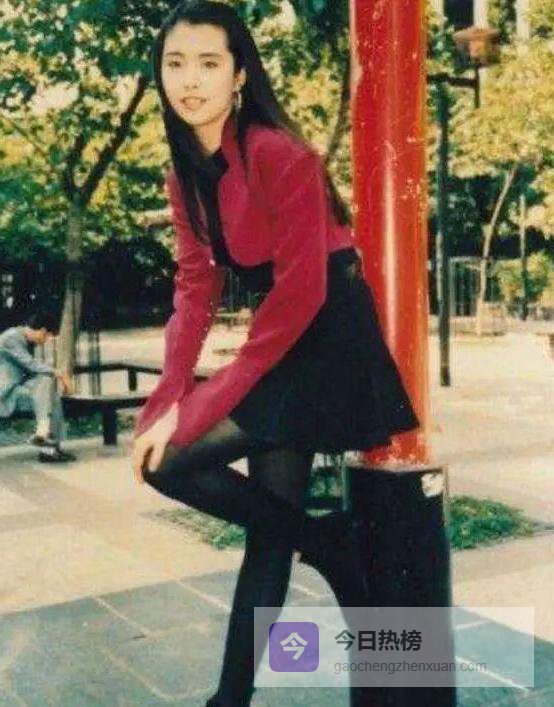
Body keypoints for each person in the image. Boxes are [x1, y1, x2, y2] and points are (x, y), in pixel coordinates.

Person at [132, 2, 419, 705]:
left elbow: (301, 292)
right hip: (283, 330)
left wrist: (203, 402)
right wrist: (167, 399)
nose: (190, 79)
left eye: (209, 63)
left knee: (169, 464)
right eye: (175, 63)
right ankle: (232, 695)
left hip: (325, 328)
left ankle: (325, 544)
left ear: (239, 76)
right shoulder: (184, 172)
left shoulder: (278, 152)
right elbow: (195, 288)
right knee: (265, 532)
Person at [0, 311, 76, 463]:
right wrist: (60, 374)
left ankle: (45, 440)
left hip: (17, 390)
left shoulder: (25, 341)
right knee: (49, 392)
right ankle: (46, 443)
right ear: (42, 331)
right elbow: (30, 365)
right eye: (47, 337)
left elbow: (31, 372)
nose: (45, 341)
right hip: (5, 394)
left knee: (50, 392)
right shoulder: (10, 338)